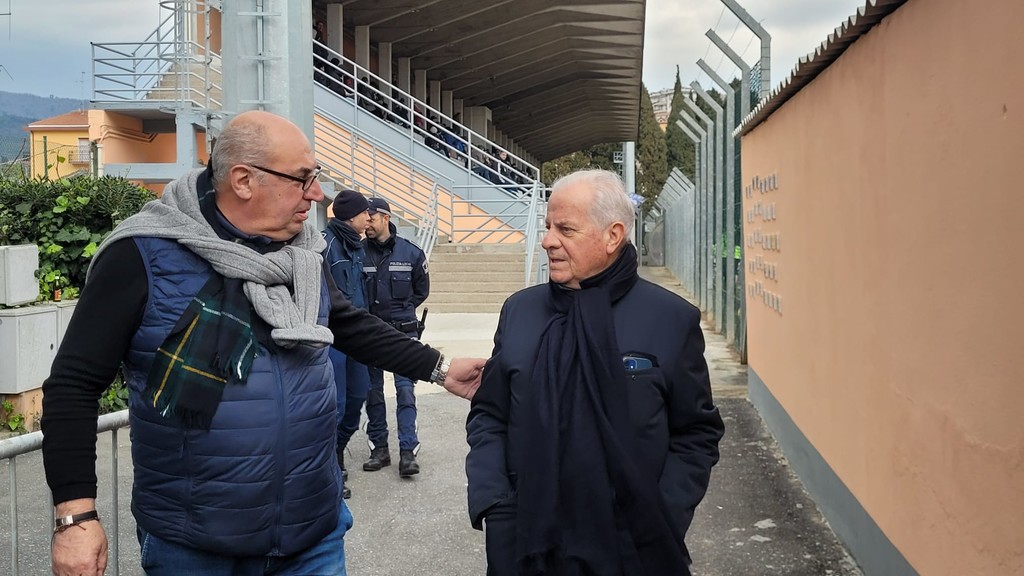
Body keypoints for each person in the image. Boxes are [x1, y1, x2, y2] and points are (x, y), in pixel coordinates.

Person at [41, 110, 484, 576]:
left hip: (312, 535)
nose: (317, 194)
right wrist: (75, 517)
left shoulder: (304, 254)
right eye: (303, 178)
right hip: (195, 545)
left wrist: (439, 368)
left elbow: (350, 326)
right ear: (243, 180)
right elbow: (74, 385)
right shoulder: (142, 255)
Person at [465, 169, 724, 576]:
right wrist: (496, 506)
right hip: (525, 547)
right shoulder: (520, 311)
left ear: (612, 235)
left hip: (635, 552)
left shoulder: (671, 319)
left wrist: (663, 517)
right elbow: (489, 414)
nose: (548, 241)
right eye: (547, 227)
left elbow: (696, 433)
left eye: (565, 229)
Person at [362, 197, 429, 477]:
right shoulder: (358, 253)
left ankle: (407, 451)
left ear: (385, 218)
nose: (366, 223)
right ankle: (379, 449)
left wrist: (402, 312)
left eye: (371, 218)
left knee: (405, 390)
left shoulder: (411, 253)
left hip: (402, 334)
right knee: (372, 392)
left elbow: (421, 291)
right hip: (369, 333)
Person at [322, 189, 373, 499]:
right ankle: (330, 467)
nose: (369, 217)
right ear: (352, 216)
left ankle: (337, 450)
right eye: (365, 212)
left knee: (358, 397)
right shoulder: (325, 246)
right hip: (333, 342)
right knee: (336, 406)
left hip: (357, 338)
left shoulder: (356, 247)